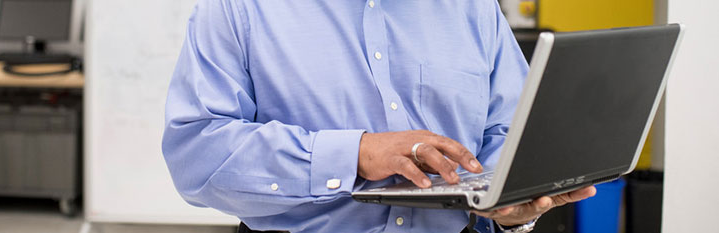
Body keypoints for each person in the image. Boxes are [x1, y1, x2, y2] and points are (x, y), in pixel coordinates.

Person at [162, 0, 596, 232]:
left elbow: (508, 132)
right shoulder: (238, 7)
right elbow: (197, 153)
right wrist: (354, 153)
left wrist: (511, 204)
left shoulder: (473, 6)